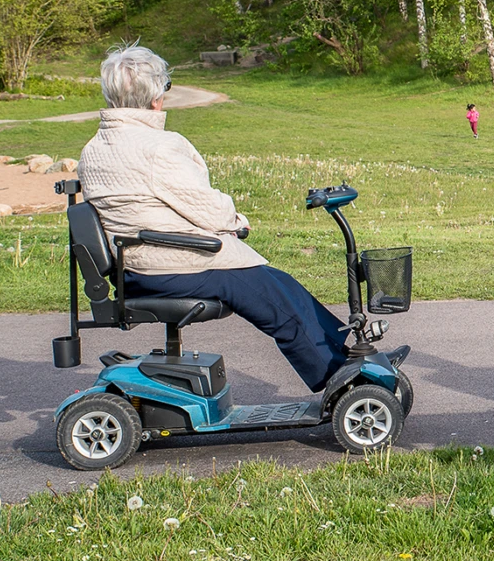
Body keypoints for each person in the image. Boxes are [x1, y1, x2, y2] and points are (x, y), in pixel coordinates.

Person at [77, 45, 354, 392]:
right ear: (155, 98)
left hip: (135, 266)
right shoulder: (156, 147)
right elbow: (209, 209)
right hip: (170, 264)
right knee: (273, 298)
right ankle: (337, 378)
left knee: (277, 283)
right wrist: (237, 221)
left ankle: (344, 356)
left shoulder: (95, 148)